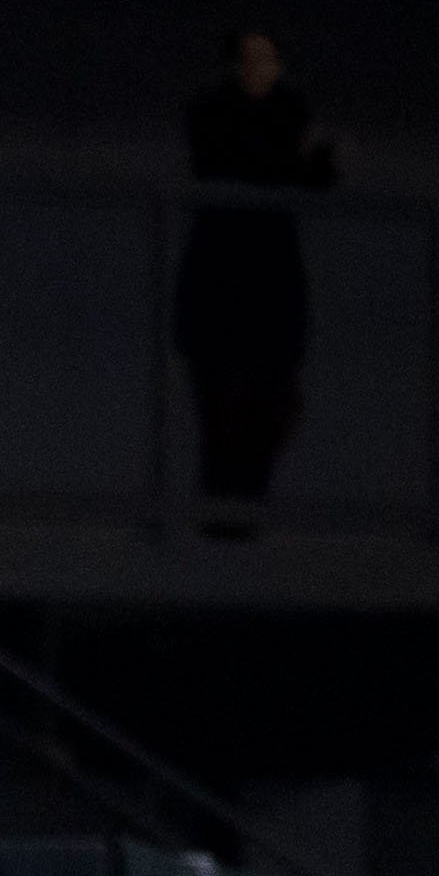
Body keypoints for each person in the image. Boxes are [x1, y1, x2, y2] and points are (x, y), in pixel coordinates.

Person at [175, 31, 337, 530]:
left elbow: (316, 178)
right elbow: (220, 161)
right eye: (251, 59)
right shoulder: (214, 111)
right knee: (221, 418)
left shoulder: (290, 109)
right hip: (222, 276)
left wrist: (316, 152)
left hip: (269, 282)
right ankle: (222, 524)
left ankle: (243, 520)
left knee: (263, 412)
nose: (261, 69)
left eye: (268, 57)